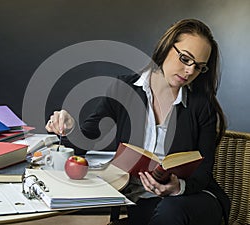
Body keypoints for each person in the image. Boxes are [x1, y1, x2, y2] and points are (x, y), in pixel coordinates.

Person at [45, 18, 230, 225]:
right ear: (166, 47)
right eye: (185, 59)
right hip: (144, 203)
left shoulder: (201, 106)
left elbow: (203, 173)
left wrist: (177, 187)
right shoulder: (123, 89)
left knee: (169, 210)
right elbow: (84, 142)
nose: (190, 71)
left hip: (194, 200)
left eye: (199, 67)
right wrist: (69, 129)